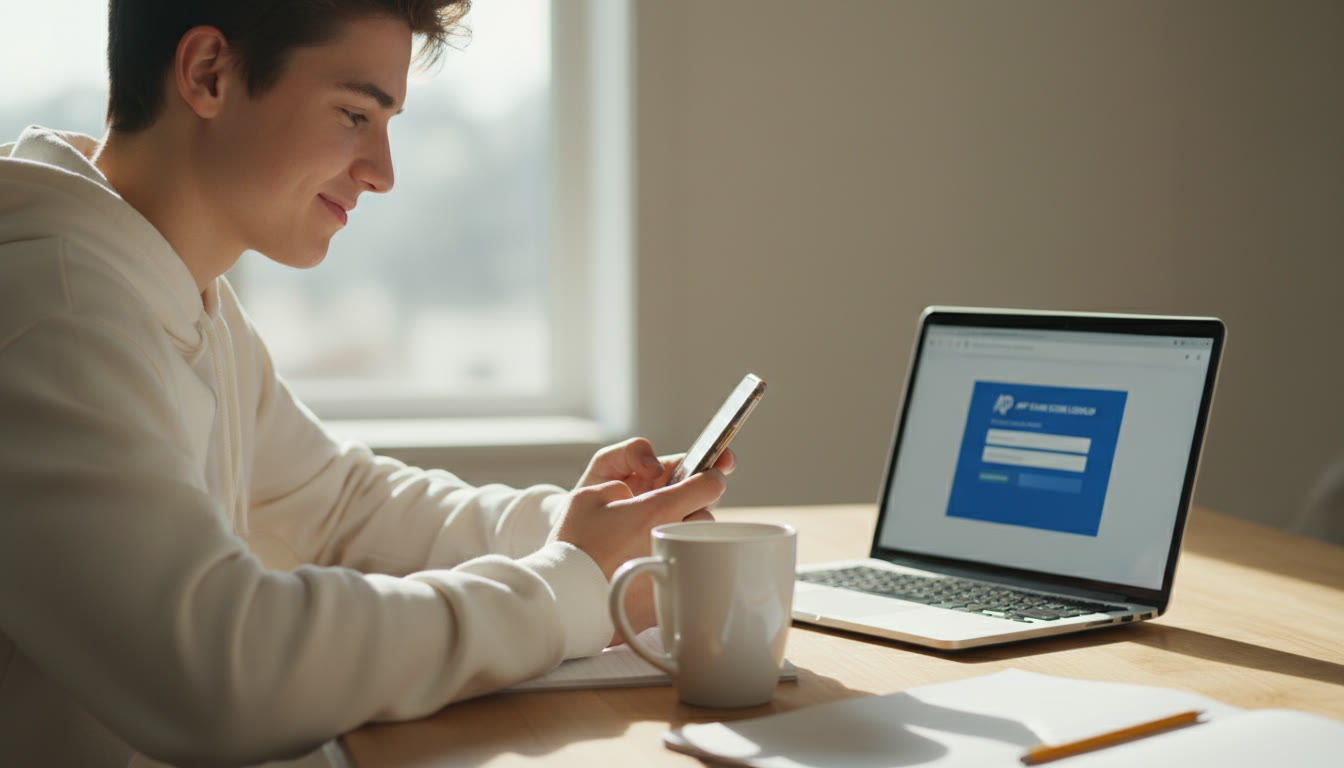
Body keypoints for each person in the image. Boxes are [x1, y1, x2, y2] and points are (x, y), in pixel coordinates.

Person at [0, 1, 732, 765]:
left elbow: (339, 506)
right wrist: (567, 588)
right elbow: (224, 668)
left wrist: (588, 529)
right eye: (355, 114)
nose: (382, 173)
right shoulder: (50, 315)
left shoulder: (170, 287)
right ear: (208, 74)